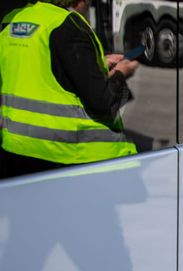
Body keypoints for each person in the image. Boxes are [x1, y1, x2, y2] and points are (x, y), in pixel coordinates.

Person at [0, 0, 139, 179]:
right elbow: (103, 101)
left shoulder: (11, 21)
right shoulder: (67, 24)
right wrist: (121, 72)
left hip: (18, 149)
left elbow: (35, 67)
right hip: (73, 155)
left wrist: (95, 63)